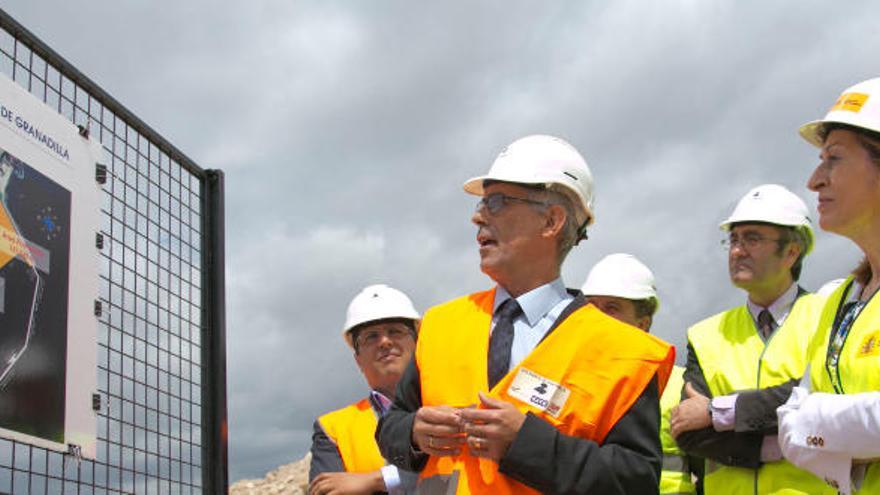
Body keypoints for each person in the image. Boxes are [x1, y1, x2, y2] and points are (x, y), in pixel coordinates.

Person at [376, 134, 675, 494]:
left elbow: (636, 481)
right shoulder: (441, 326)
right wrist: (412, 434)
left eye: (497, 202)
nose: (477, 217)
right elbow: (391, 426)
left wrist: (527, 445)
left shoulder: (622, 353)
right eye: (482, 203)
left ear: (551, 221)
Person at [670, 184, 836, 494]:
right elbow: (688, 433)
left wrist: (716, 412)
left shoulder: (829, 316)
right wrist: (784, 447)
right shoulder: (705, 334)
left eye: (752, 238)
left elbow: (820, 398)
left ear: (791, 251)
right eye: (733, 239)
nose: (737, 250)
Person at [777, 77, 880, 494]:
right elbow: (788, 429)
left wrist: (815, 417)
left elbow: (801, 421)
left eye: (833, 159)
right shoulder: (837, 300)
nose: (814, 180)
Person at [581, 253, 697, 495]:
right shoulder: (565, 377)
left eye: (612, 308)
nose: (598, 317)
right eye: (591, 306)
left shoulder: (679, 386)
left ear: (642, 324)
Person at [309, 284, 421, 495]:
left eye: (395, 331)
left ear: (418, 343)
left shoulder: (449, 399)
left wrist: (377, 481)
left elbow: (461, 466)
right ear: (358, 359)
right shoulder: (333, 430)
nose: (385, 342)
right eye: (371, 336)